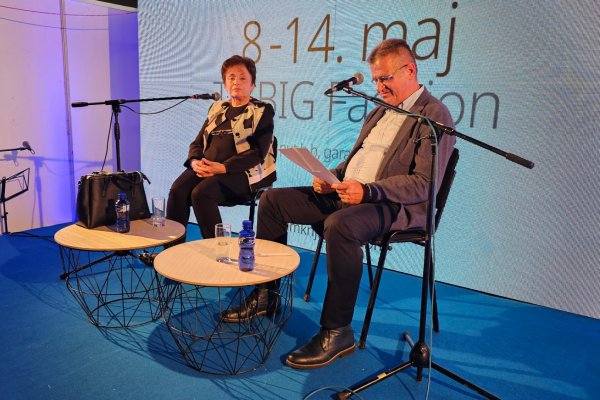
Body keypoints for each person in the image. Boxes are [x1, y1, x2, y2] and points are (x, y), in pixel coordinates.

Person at [221, 39, 456, 369]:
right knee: (272, 201)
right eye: (375, 80)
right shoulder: (379, 111)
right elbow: (355, 163)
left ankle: (337, 331)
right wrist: (330, 177)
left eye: (385, 78)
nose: (379, 86)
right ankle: (266, 295)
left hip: (392, 205)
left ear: (410, 70)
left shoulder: (434, 115)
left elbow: (424, 184)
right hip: (351, 193)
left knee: (340, 226)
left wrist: (368, 191)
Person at [166, 55, 276, 241]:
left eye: (242, 78)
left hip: (243, 172)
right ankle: (172, 250)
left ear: (252, 85)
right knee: (178, 190)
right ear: (225, 84)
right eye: (231, 78)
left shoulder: (261, 110)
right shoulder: (217, 108)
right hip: (208, 166)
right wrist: (194, 162)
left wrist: (223, 167)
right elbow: (197, 143)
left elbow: (258, 152)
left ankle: (217, 249)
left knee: (201, 193)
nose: (236, 82)